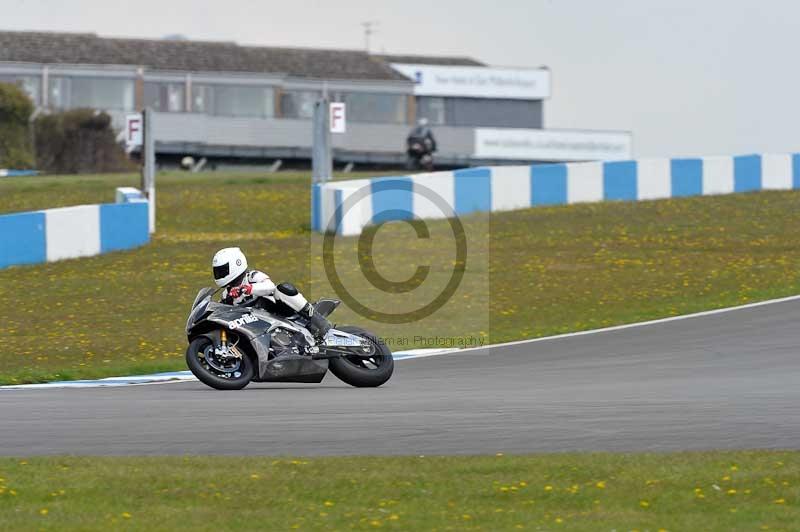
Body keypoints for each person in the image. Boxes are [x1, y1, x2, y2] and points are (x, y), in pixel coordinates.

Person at [211, 247, 331, 341]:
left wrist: (248, 289)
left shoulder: (252, 276)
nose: (220, 274)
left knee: (283, 288)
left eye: (222, 271)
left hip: (280, 312)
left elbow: (270, 287)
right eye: (218, 272)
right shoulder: (226, 294)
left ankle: (318, 321)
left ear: (236, 264)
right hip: (256, 327)